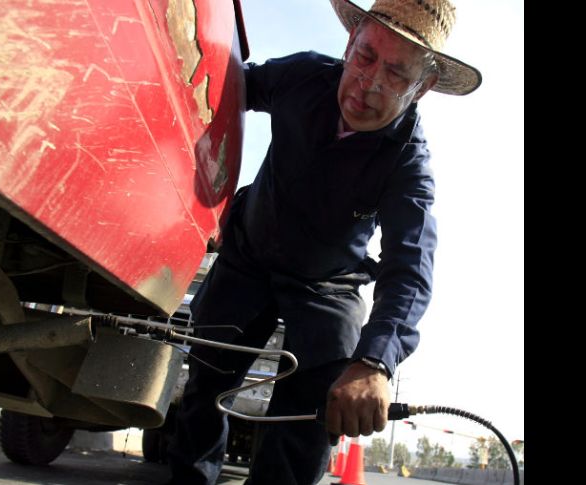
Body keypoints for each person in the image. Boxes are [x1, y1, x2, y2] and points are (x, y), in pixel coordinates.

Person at [166, 1, 482, 484]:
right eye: (366, 57)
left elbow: (410, 267)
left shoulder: (408, 165)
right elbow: (226, 85)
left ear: (424, 88)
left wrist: (374, 361)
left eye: (397, 73)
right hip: (248, 253)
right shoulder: (303, 76)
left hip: (326, 284)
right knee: (206, 380)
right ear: (349, 43)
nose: (370, 83)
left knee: (319, 400)